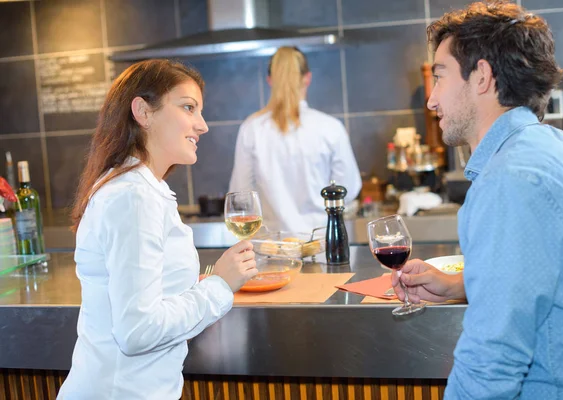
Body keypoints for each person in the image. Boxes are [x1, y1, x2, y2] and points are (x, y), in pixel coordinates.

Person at [391, 2, 563, 399]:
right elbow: (548, 274)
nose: (432, 100)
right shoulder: (551, 144)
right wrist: (462, 285)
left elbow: (493, 359)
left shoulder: (511, 178)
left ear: (482, 76)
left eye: (440, 77)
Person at [58, 59, 258, 400]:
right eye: (188, 108)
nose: (203, 125)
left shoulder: (140, 189)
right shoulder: (133, 197)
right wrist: (219, 285)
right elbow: (138, 330)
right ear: (143, 112)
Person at [229, 46, 362, 233]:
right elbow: (349, 189)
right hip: (320, 242)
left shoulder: (251, 128)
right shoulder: (331, 128)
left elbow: (241, 197)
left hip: (271, 247)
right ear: (307, 78)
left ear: (269, 80)